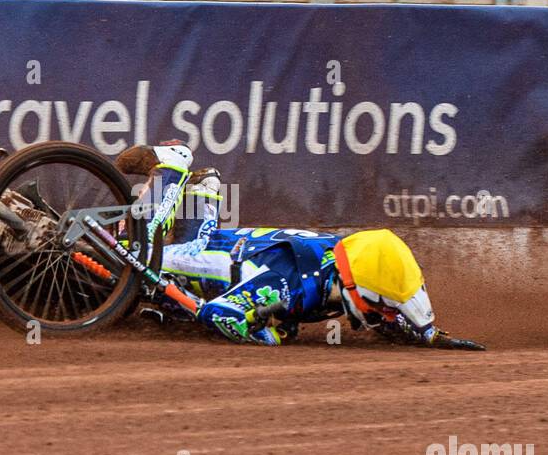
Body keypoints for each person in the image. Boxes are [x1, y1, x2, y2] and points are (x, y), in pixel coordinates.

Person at [116, 143, 477, 348]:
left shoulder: (340, 267)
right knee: (142, 257)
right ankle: (172, 169)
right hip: (208, 260)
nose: (385, 316)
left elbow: (388, 313)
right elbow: (221, 316)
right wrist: (269, 335)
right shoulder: (292, 282)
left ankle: (202, 187)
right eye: (383, 307)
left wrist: (427, 333)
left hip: (221, 245)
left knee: (170, 283)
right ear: (360, 291)